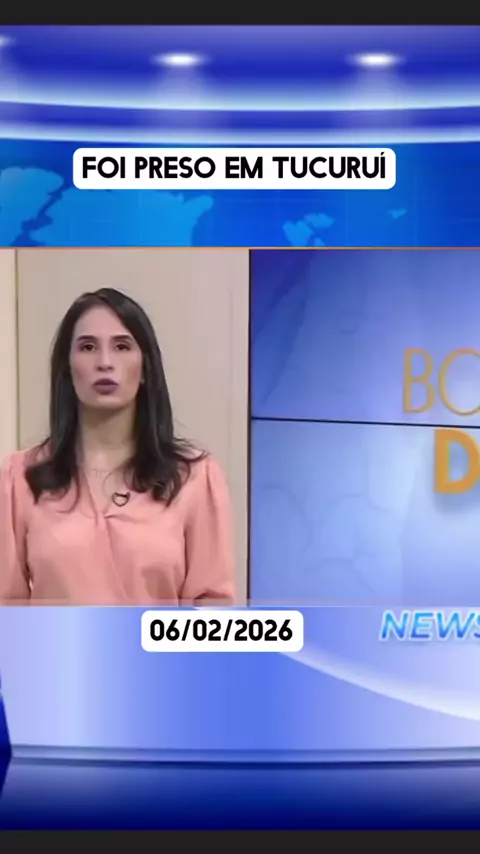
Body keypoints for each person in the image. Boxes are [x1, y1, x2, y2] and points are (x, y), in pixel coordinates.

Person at [0, 288, 237, 606]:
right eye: (87, 347)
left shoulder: (194, 477)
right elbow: (8, 608)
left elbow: (211, 608)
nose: (105, 362)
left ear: (145, 368)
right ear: (67, 368)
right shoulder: (19, 477)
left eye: (122, 346)